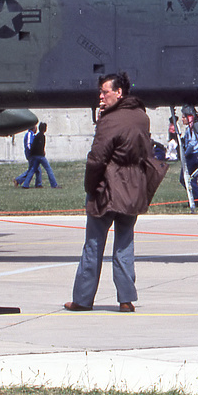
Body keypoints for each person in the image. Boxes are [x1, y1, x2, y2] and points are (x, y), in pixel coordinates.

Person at [65, 73, 166, 313]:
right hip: (134, 189)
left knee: (93, 244)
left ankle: (82, 298)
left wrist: (90, 187)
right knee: (125, 243)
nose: (100, 96)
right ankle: (126, 299)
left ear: (119, 92)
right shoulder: (142, 117)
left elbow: (97, 158)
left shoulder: (110, 121)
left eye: (104, 91)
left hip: (108, 190)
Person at [19, 123, 58, 189]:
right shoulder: (41, 136)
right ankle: (54, 184)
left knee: (32, 170)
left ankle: (26, 184)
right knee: (48, 169)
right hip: (40, 156)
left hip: (34, 156)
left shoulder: (36, 136)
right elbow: (39, 147)